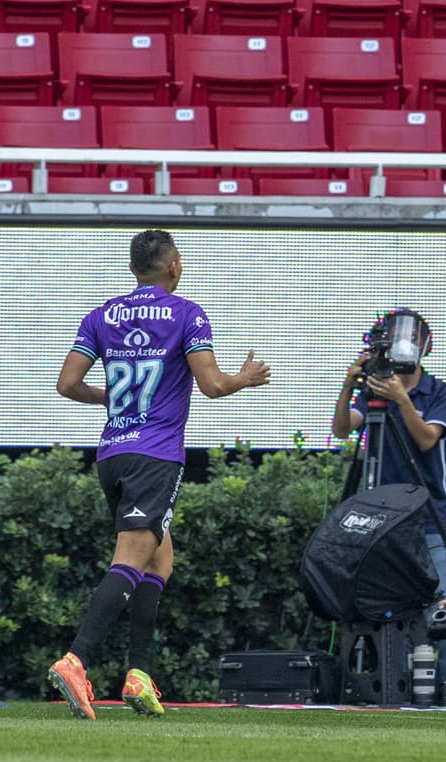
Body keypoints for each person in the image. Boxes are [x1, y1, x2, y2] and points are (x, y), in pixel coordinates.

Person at [48, 229, 271, 720]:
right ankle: (76, 660)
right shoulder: (187, 313)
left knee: (159, 561)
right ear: (174, 267)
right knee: (131, 558)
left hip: (114, 453)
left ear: (134, 268)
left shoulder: (101, 315)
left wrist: (111, 398)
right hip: (156, 455)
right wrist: (245, 378)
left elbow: (67, 384)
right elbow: (211, 385)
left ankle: (138, 676)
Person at [332, 309, 446, 705]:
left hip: (428, 518)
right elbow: (343, 428)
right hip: (380, 520)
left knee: (445, 608)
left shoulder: (440, 392)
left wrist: (402, 400)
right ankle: (389, 686)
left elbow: (428, 440)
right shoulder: (373, 390)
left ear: (424, 346)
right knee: (384, 604)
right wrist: (349, 385)